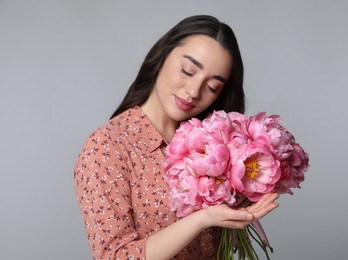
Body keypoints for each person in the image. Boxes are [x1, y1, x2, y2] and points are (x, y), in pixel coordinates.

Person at [74, 15, 279, 260]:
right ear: (162, 55)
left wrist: (244, 198)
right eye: (187, 70)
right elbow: (114, 256)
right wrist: (202, 219)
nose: (193, 92)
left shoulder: (215, 144)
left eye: (212, 87)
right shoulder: (107, 147)